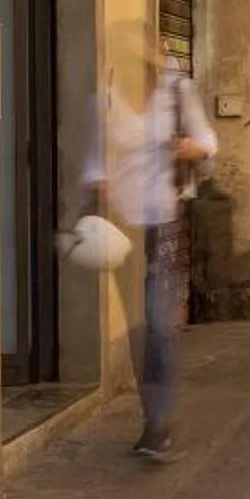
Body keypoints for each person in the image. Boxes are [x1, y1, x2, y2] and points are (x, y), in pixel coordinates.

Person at [88, 24, 216, 462]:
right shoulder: (106, 99)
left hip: (164, 222)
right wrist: (101, 182)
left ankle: (157, 425)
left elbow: (208, 144)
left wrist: (188, 148)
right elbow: (93, 161)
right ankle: (152, 416)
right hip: (124, 227)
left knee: (159, 325)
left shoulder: (177, 92)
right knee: (138, 328)